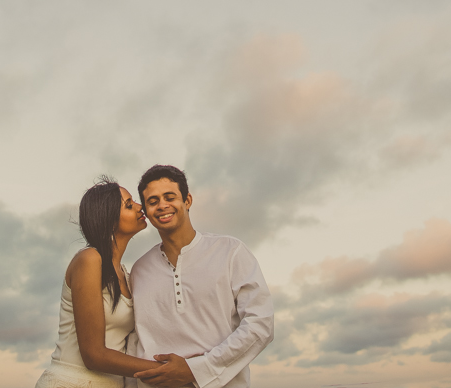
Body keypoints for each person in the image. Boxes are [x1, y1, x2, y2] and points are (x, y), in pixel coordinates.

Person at [130, 165, 274, 388]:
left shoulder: (231, 251)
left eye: (170, 197)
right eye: (153, 201)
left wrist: (196, 370)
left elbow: (260, 324)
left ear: (187, 201)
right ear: (147, 212)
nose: (162, 206)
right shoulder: (139, 271)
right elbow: (136, 341)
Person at [35, 177, 165, 388]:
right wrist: (163, 372)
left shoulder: (127, 274)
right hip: (70, 382)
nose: (140, 206)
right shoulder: (89, 259)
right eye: (129, 205)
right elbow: (93, 355)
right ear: (110, 219)